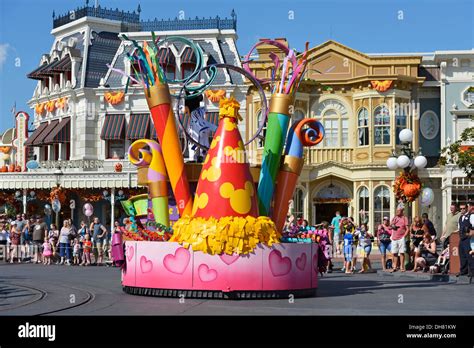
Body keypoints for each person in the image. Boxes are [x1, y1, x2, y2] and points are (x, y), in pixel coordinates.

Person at [390, 207, 409, 272]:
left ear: (402, 211)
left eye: (398, 211)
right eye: (396, 211)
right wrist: (393, 225)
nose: (397, 212)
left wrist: (404, 236)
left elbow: (407, 229)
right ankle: (394, 267)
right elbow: (391, 226)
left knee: (402, 252)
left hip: (401, 238)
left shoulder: (404, 218)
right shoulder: (394, 218)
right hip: (394, 238)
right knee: (394, 253)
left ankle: (402, 267)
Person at [458, 202, 474, 275]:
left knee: (469, 255)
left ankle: (472, 271)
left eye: (463, 208)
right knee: (462, 255)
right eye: (461, 209)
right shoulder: (461, 217)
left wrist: (471, 233)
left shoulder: (471, 216)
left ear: (467, 208)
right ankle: (463, 271)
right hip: (461, 238)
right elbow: (459, 228)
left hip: (468, 239)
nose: (462, 210)